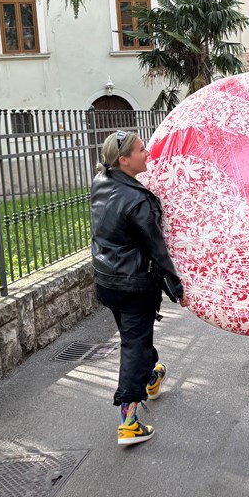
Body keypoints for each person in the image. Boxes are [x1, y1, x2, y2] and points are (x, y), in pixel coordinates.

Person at [91, 130, 184, 446]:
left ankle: (150, 376)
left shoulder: (101, 183)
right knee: (134, 345)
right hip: (134, 285)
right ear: (124, 160)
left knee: (136, 339)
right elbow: (157, 248)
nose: (148, 153)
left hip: (107, 281)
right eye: (142, 150)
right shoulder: (137, 201)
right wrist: (176, 285)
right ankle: (128, 423)